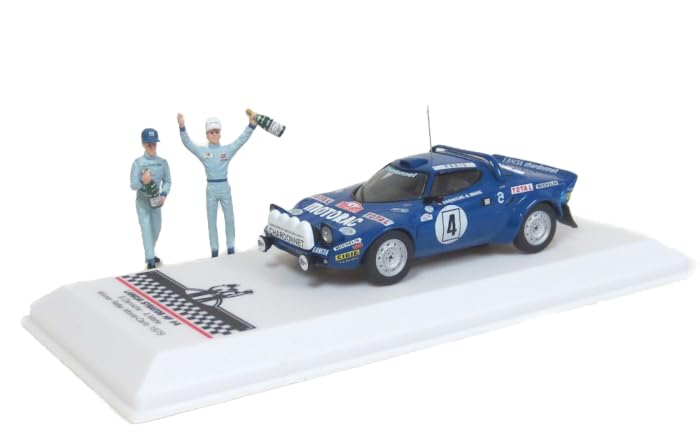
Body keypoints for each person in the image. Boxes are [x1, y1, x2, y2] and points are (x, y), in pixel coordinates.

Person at [177, 111, 257, 257]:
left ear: (220, 134)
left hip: (224, 187)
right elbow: (188, 144)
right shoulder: (203, 152)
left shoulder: (226, 150)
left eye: (216, 132)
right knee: (211, 220)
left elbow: (241, 140)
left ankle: (231, 247)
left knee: (229, 218)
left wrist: (251, 125)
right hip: (211, 188)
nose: (214, 135)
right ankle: (214, 250)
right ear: (207, 135)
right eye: (211, 132)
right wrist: (182, 127)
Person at [130, 128, 172, 269]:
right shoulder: (138, 163)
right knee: (146, 229)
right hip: (143, 201)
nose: (152, 147)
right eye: (149, 144)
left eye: (154, 144)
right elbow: (133, 185)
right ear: (143, 144)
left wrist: (163, 194)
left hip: (156, 200)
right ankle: (150, 261)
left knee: (156, 229)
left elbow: (168, 181)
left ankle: (150, 252)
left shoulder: (162, 162)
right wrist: (143, 181)